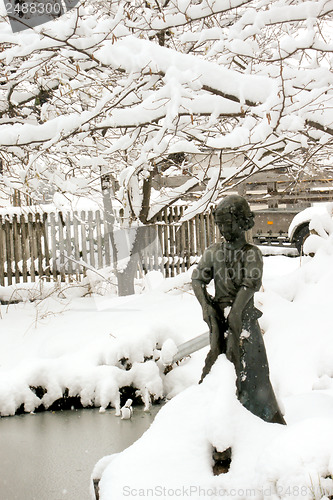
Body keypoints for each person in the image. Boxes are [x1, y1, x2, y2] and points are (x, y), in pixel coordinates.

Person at [192, 195, 285, 424]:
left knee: (252, 372)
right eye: (220, 223)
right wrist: (206, 305)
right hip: (221, 321)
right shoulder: (214, 252)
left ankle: (260, 420)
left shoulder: (251, 253)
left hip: (244, 322)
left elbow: (250, 284)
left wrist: (235, 314)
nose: (224, 228)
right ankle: (221, 420)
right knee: (220, 370)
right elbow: (197, 279)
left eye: (228, 223)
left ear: (242, 222)